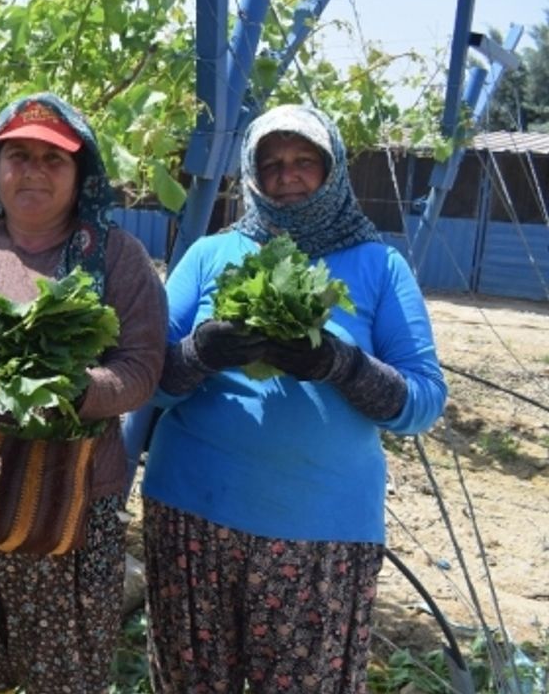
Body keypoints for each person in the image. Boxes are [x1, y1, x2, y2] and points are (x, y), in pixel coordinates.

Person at [141, 104, 448, 693]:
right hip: (193, 515)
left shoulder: (380, 265)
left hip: (323, 531)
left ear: (332, 169)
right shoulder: (210, 254)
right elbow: (145, 380)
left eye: (305, 160)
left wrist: (344, 364)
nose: (288, 173)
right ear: (252, 174)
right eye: (271, 162)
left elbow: (423, 401)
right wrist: (201, 353)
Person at [0, 92, 168, 693]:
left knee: (62, 672)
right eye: (18, 156)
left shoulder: (116, 257)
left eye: (53, 159)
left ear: (80, 171)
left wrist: (74, 389)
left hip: (73, 498)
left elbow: (142, 367)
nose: (33, 171)